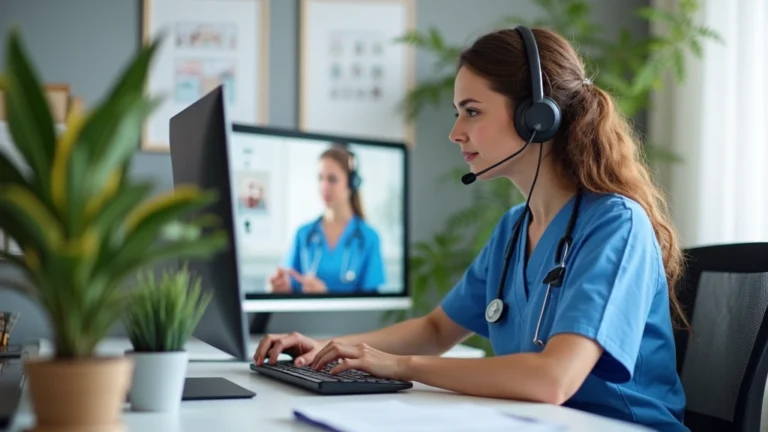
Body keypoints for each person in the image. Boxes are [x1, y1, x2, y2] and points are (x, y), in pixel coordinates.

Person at [254, 26, 689, 431]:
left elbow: (553, 379)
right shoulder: (513, 229)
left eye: (472, 112)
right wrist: (327, 348)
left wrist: (397, 365)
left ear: (536, 118)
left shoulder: (616, 224)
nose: (455, 133)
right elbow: (436, 330)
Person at [269, 145, 386, 294]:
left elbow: (372, 304)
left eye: (332, 179)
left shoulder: (369, 237)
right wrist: (280, 288)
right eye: (320, 178)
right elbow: (291, 286)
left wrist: (325, 296)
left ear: (351, 183)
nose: (324, 186)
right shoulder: (304, 234)